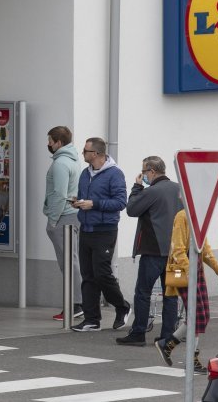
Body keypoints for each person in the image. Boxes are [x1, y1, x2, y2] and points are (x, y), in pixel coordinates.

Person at [116, 156, 181, 346]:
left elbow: (132, 209)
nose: (143, 175)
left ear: (152, 171)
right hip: (176, 253)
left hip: (153, 251)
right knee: (171, 294)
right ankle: (168, 335)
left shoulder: (152, 191)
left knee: (143, 292)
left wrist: (137, 188)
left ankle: (138, 333)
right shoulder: (180, 189)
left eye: (144, 172)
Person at [70, 137, 131, 332]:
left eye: (85, 151)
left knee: (102, 273)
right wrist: (77, 202)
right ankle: (91, 319)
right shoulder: (84, 174)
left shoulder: (114, 174)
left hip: (105, 230)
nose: (83, 153)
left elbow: (121, 202)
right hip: (86, 228)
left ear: (95, 154)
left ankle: (122, 306)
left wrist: (94, 204)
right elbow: (84, 198)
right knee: (87, 275)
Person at [155, 209, 218, 374]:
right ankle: (190, 358)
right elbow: (178, 249)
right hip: (184, 271)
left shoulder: (200, 219)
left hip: (196, 270)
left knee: (202, 316)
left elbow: (205, 249)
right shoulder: (182, 217)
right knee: (196, 315)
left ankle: (168, 344)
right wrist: (191, 271)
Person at [43, 126, 84, 320]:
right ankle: (77, 302)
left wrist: (52, 220)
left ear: (58, 142)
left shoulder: (60, 163)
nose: (48, 144)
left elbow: (59, 194)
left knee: (68, 262)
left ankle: (76, 304)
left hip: (63, 217)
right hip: (73, 216)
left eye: (50, 140)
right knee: (73, 260)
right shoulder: (74, 160)